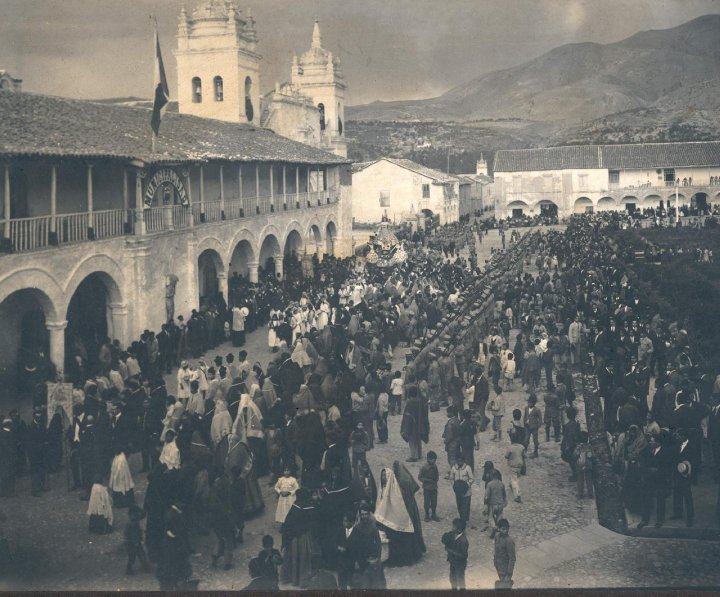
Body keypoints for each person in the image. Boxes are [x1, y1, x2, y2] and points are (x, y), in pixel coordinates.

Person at [374, 462, 425, 567]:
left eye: (385, 476)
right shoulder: (383, 488)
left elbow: (397, 505)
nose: (383, 478)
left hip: (394, 518)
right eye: (382, 476)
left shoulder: (395, 489)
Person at [281, 487, 318, 588]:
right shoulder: (309, 507)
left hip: (293, 537)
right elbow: (313, 521)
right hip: (304, 536)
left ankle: (294, 579)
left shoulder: (295, 505)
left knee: (294, 557)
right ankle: (303, 580)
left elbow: (288, 521)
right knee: (304, 557)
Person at [442, 518, 469, 591]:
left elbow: (464, 555)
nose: (452, 528)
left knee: (460, 580)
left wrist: (450, 551)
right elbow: (444, 539)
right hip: (453, 561)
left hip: (460, 564)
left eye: (454, 527)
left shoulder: (463, 541)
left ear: (459, 530)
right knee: (452, 578)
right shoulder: (453, 534)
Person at [124, 505, 150, 575]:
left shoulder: (134, 521)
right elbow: (127, 534)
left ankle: (146, 567)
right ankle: (129, 570)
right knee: (132, 557)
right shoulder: (130, 524)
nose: (137, 516)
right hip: (132, 543)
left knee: (142, 555)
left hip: (136, 542)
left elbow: (142, 515)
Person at [450, 454, 474, 524]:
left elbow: (471, 479)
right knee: (459, 505)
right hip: (458, 491)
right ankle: (462, 518)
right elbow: (451, 478)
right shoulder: (454, 468)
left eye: (461, 460)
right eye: (458, 460)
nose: (459, 462)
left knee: (465, 506)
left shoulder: (468, 468)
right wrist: (454, 485)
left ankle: (464, 520)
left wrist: (466, 485)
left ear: (463, 460)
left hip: (467, 491)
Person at [418, 451, 440, 522]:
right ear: (428, 459)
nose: (433, 461)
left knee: (434, 502)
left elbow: (437, 476)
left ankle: (434, 514)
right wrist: (427, 480)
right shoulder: (424, 467)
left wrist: (435, 480)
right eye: (432, 459)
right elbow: (420, 477)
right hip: (427, 488)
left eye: (434, 459)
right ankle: (427, 514)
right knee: (426, 502)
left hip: (434, 487)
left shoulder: (435, 466)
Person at [493, 519, 516, 588]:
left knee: (505, 588)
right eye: (503, 529)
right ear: (499, 529)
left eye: (506, 529)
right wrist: (495, 561)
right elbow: (496, 549)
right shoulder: (497, 536)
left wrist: (509, 574)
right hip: (499, 567)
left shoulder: (509, 541)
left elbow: (512, 559)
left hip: (505, 570)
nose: (505, 531)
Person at [484, 469, 507, 536]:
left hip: (492, 504)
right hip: (500, 504)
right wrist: (505, 502)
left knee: (490, 517)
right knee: (499, 516)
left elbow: (486, 496)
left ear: (492, 476)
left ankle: (494, 527)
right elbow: (504, 494)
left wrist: (485, 504)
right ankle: (498, 528)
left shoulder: (489, 484)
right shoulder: (502, 484)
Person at [573, 431, 595, 499]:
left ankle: (580, 494)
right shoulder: (589, 446)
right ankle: (590, 493)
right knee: (589, 480)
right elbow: (593, 455)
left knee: (580, 479)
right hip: (588, 465)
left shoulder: (579, 446)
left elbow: (575, 454)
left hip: (580, 465)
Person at [505, 434, 526, 503]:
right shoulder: (522, 447)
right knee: (516, 477)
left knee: (514, 480)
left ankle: (517, 495)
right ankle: (511, 485)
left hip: (513, 465)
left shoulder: (510, 448)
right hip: (520, 465)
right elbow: (524, 456)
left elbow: (506, 456)